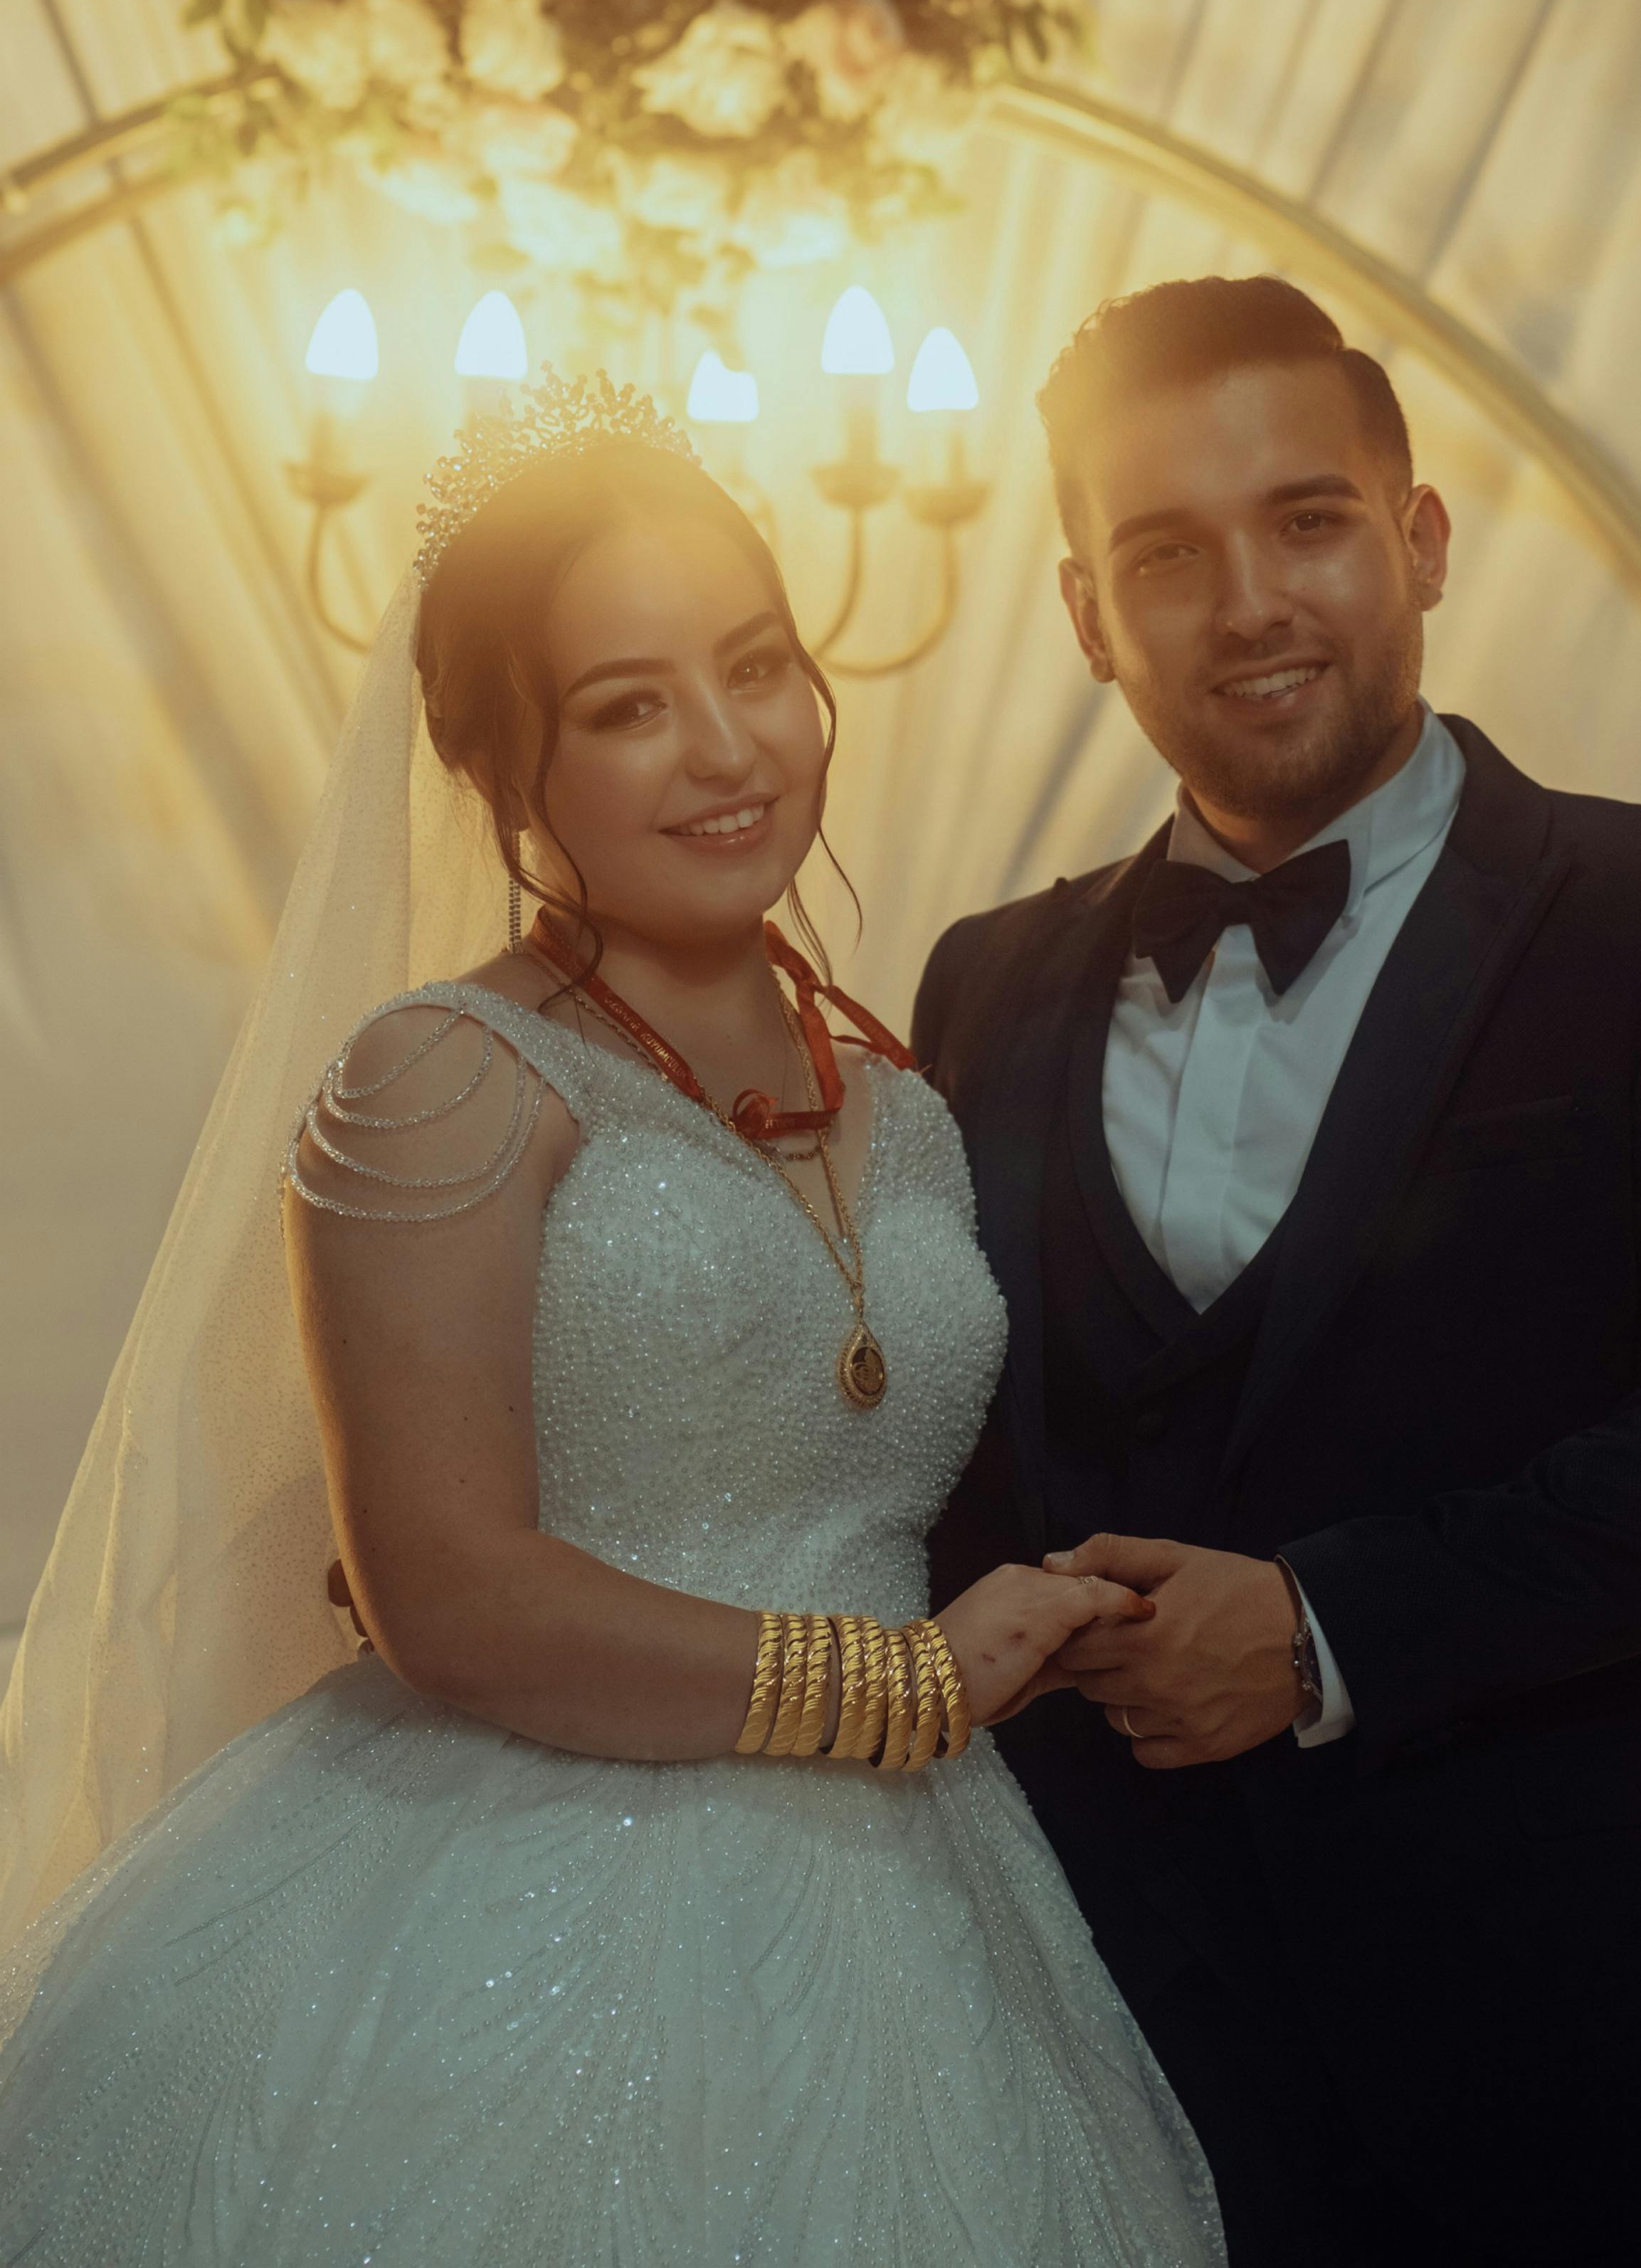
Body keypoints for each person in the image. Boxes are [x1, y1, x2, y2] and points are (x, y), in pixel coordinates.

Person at [0, 376, 1223, 2266]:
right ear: (502, 767)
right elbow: (445, 1591)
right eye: (627, 706)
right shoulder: (443, 1082)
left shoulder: (899, 1088)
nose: (729, 749)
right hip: (506, 1894)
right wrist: (913, 1685)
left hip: (921, 1905)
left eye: (758, 667)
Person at [916, 275, 1641, 2268]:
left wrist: (1320, 1629)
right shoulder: (981, 981)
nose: (1253, 602)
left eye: (1311, 521)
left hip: (1589, 2044)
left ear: (1421, 541)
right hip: (1117, 2050)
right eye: (1168, 555)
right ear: (1088, 613)